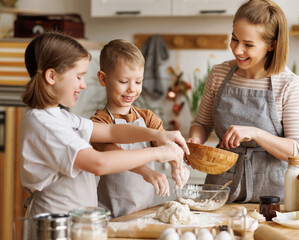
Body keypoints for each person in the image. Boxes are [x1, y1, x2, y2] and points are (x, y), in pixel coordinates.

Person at [19, 32, 189, 223]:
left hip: (75, 225)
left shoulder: (62, 117)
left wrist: (158, 134)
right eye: (79, 76)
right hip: (55, 226)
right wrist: (159, 153)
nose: (83, 85)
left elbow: (110, 131)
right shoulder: (45, 124)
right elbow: (99, 163)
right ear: (52, 76)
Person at [188, 0, 299, 203]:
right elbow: (202, 123)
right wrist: (195, 141)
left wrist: (255, 132)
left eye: (248, 45)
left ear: (272, 45)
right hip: (219, 190)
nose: (237, 50)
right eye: (234, 39)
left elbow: (298, 150)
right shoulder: (219, 74)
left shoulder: (287, 83)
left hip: (271, 199)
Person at [90, 39, 190, 218]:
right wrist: (147, 172)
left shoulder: (147, 118)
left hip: (144, 212)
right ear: (103, 78)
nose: (132, 89)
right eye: (123, 81)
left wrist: (177, 166)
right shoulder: (99, 122)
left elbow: (165, 144)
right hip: (109, 214)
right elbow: (113, 154)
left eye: (138, 82)